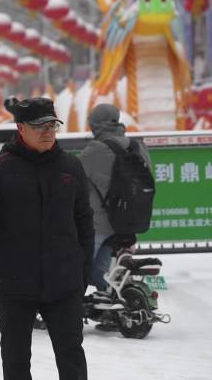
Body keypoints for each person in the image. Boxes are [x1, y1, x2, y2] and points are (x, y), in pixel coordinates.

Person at [0, 97, 94, 380]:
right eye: (40, 126)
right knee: (16, 359)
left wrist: (83, 268)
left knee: (72, 356)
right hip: (13, 282)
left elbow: (84, 220)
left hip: (63, 281)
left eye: (52, 125)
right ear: (20, 128)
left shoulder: (71, 167)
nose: (48, 131)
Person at [78, 104, 152, 329]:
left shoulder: (94, 150)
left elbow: (72, 177)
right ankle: (110, 312)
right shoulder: (138, 147)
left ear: (96, 124)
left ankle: (66, 314)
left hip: (98, 224)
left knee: (75, 268)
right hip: (130, 223)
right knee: (103, 271)